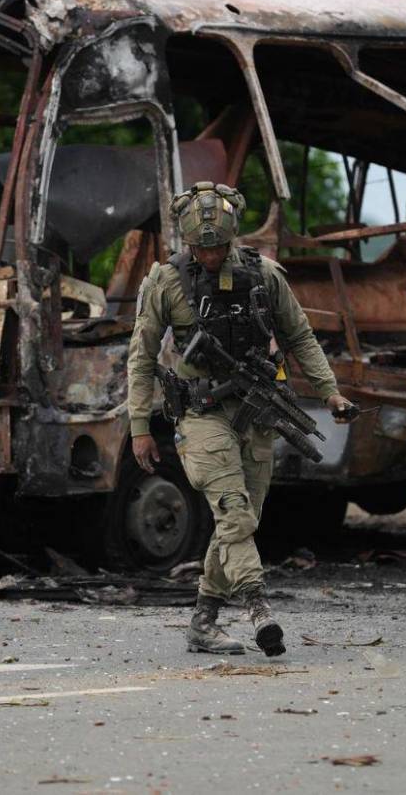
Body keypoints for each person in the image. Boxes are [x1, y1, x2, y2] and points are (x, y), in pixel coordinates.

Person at [126, 181, 354, 656]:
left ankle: (203, 621)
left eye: (217, 246)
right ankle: (259, 610)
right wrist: (140, 427)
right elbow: (141, 356)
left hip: (255, 414)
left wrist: (330, 394)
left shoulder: (264, 276)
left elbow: (301, 337)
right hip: (200, 414)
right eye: (199, 247)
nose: (209, 255)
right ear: (187, 244)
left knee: (239, 522)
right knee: (233, 512)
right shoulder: (166, 282)